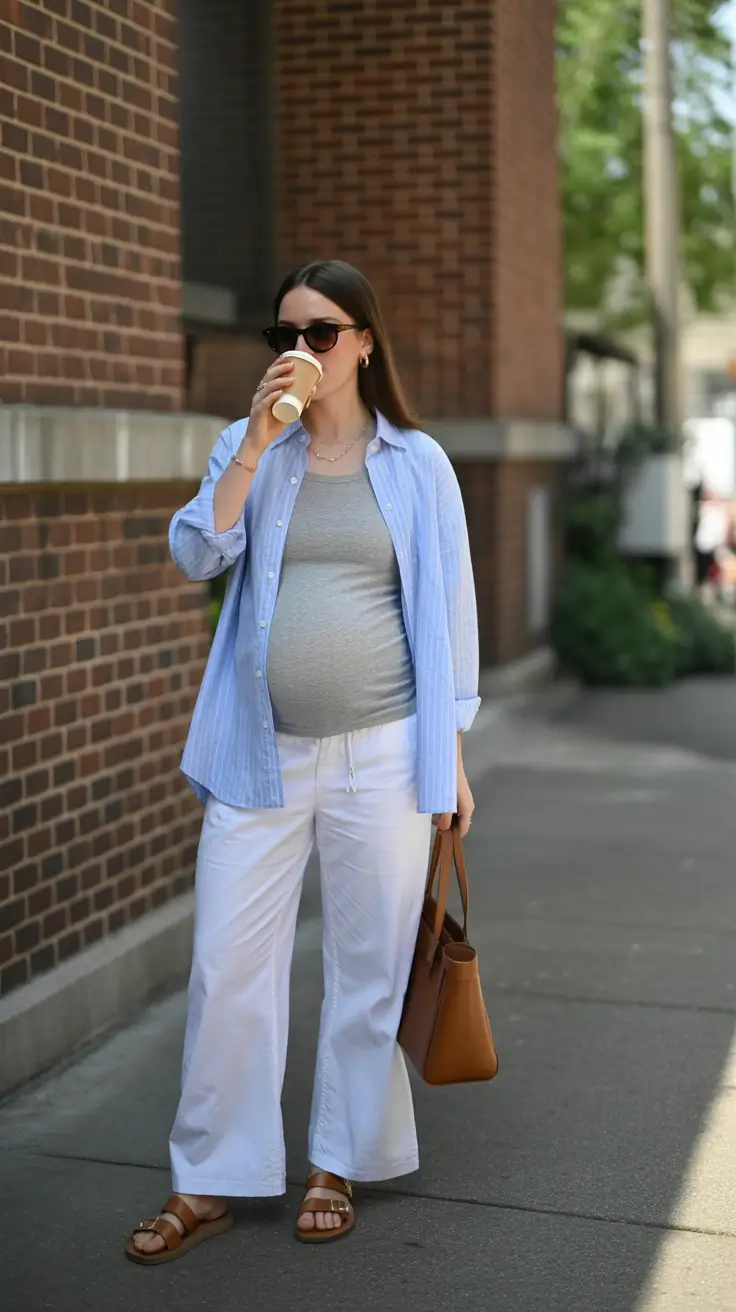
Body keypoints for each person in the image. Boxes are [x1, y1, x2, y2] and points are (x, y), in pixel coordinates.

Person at [125, 259, 480, 1261]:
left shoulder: (417, 463)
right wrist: (254, 444)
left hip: (382, 751)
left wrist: (448, 757)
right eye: (286, 331)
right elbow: (196, 553)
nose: (302, 350)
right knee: (227, 965)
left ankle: (337, 1162)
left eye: (322, 332)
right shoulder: (252, 447)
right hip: (259, 753)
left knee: (366, 970)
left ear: (365, 341)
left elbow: (449, 615)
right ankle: (209, 1179)